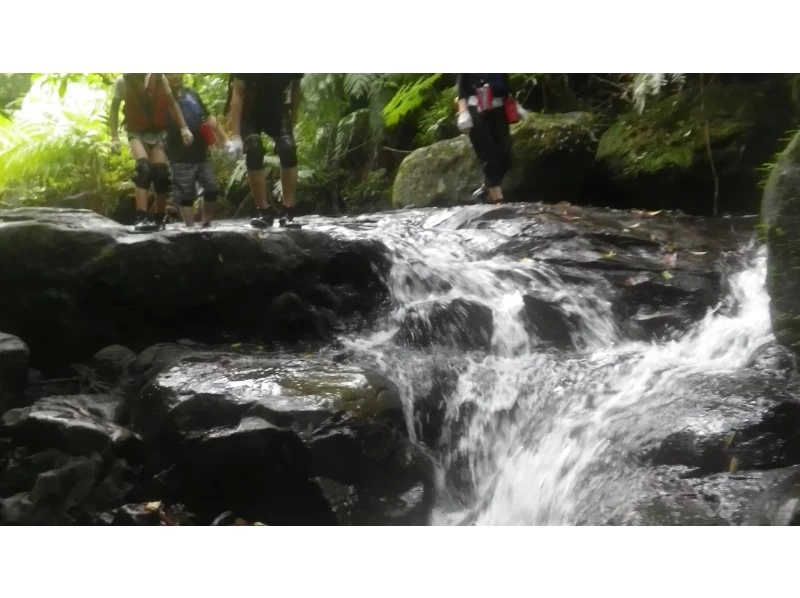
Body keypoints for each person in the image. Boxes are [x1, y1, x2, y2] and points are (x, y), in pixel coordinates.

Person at [109, 74, 194, 232]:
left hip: (158, 134)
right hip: (136, 134)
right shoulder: (123, 82)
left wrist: (184, 128)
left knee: (161, 174)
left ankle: (159, 218)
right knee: (144, 169)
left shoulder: (160, 78)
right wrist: (114, 137)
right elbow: (114, 109)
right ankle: (141, 217)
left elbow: (172, 103)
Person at [224, 74, 303, 228]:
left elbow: (295, 90)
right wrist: (236, 135)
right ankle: (264, 212)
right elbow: (237, 92)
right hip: (249, 111)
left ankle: (288, 212)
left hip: (277, 109)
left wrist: (292, 122)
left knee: (288, 149)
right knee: (254, 150)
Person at [164, 73, 227, 228]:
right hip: (179, 156)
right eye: (171, 73)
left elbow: (207, 117)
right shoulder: (162, 99)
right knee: (186, 195)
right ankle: (190, 228)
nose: (176, 76)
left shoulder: (191, 93)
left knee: (212, 188)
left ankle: (206, 223)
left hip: (201, 154)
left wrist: (224, 137)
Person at [455, 74, 518, 205]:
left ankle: (487, 188)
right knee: (487, 154)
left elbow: (505, 85)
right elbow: (462, 89)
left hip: (498, 109)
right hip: (476, 109)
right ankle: (498, 199)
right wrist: (463, 112)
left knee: (505, 156)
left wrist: (515, 105)